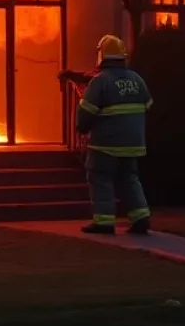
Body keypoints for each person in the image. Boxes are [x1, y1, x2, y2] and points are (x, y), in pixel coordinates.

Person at [60, 34, 152, 236]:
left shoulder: (100, 82)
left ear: (101, 55)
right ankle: (141, 218)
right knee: (129, 178)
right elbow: (147, 105)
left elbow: (86, 112)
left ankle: (103, 222)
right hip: (133, 143)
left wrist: (81, 128)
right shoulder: (137, 80)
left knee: (100, 178)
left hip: (106, 144)